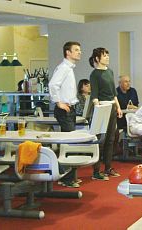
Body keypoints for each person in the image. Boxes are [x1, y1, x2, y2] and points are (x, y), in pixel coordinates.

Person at [48, 41, 81, 188]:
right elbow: (52, 85)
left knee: (70, 142)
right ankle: (66, 178)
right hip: (64, 109)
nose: (79, 52)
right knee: (68, 144)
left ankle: (69, 176)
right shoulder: (63, 68)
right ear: (68, 52)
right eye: (76, 50)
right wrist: (58, 102)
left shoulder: (69, 68)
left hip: (70, 108)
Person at [89, 47, 122, 181]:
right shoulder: (94, 74)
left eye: (108, 55)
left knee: (111, 139)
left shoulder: (110, 72)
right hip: (101, 107)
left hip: (112, 107)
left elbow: (114, 93)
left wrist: (118, 107)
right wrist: (98, 108)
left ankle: (108, 168)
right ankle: (96, 171)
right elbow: (94, 94)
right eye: (104, 55)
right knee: (100, 140)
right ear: (97, 58)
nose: (107, 57)